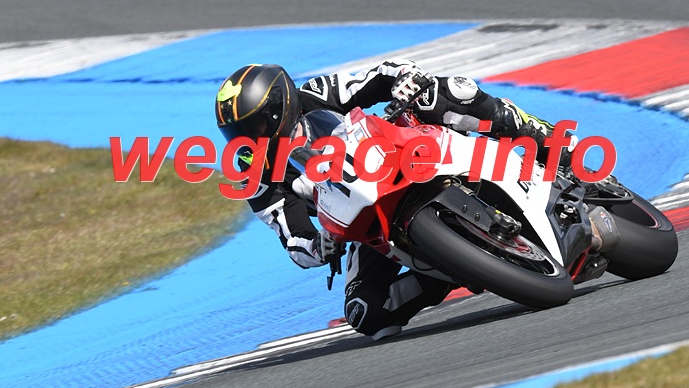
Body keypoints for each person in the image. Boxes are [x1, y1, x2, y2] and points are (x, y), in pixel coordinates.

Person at [215, 60, 565, 340]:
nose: (249, 139)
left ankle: (540, 137)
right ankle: (452, 268)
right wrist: (319, 246)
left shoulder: (316, 93)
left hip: (401, 149)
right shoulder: (253, 173)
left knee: (443, 93)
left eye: (255, 126)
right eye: (236, 134)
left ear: (279, 106)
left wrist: (405, 79)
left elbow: (381, 75)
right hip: (361, 214)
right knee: (365, 312)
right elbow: (292, 237)